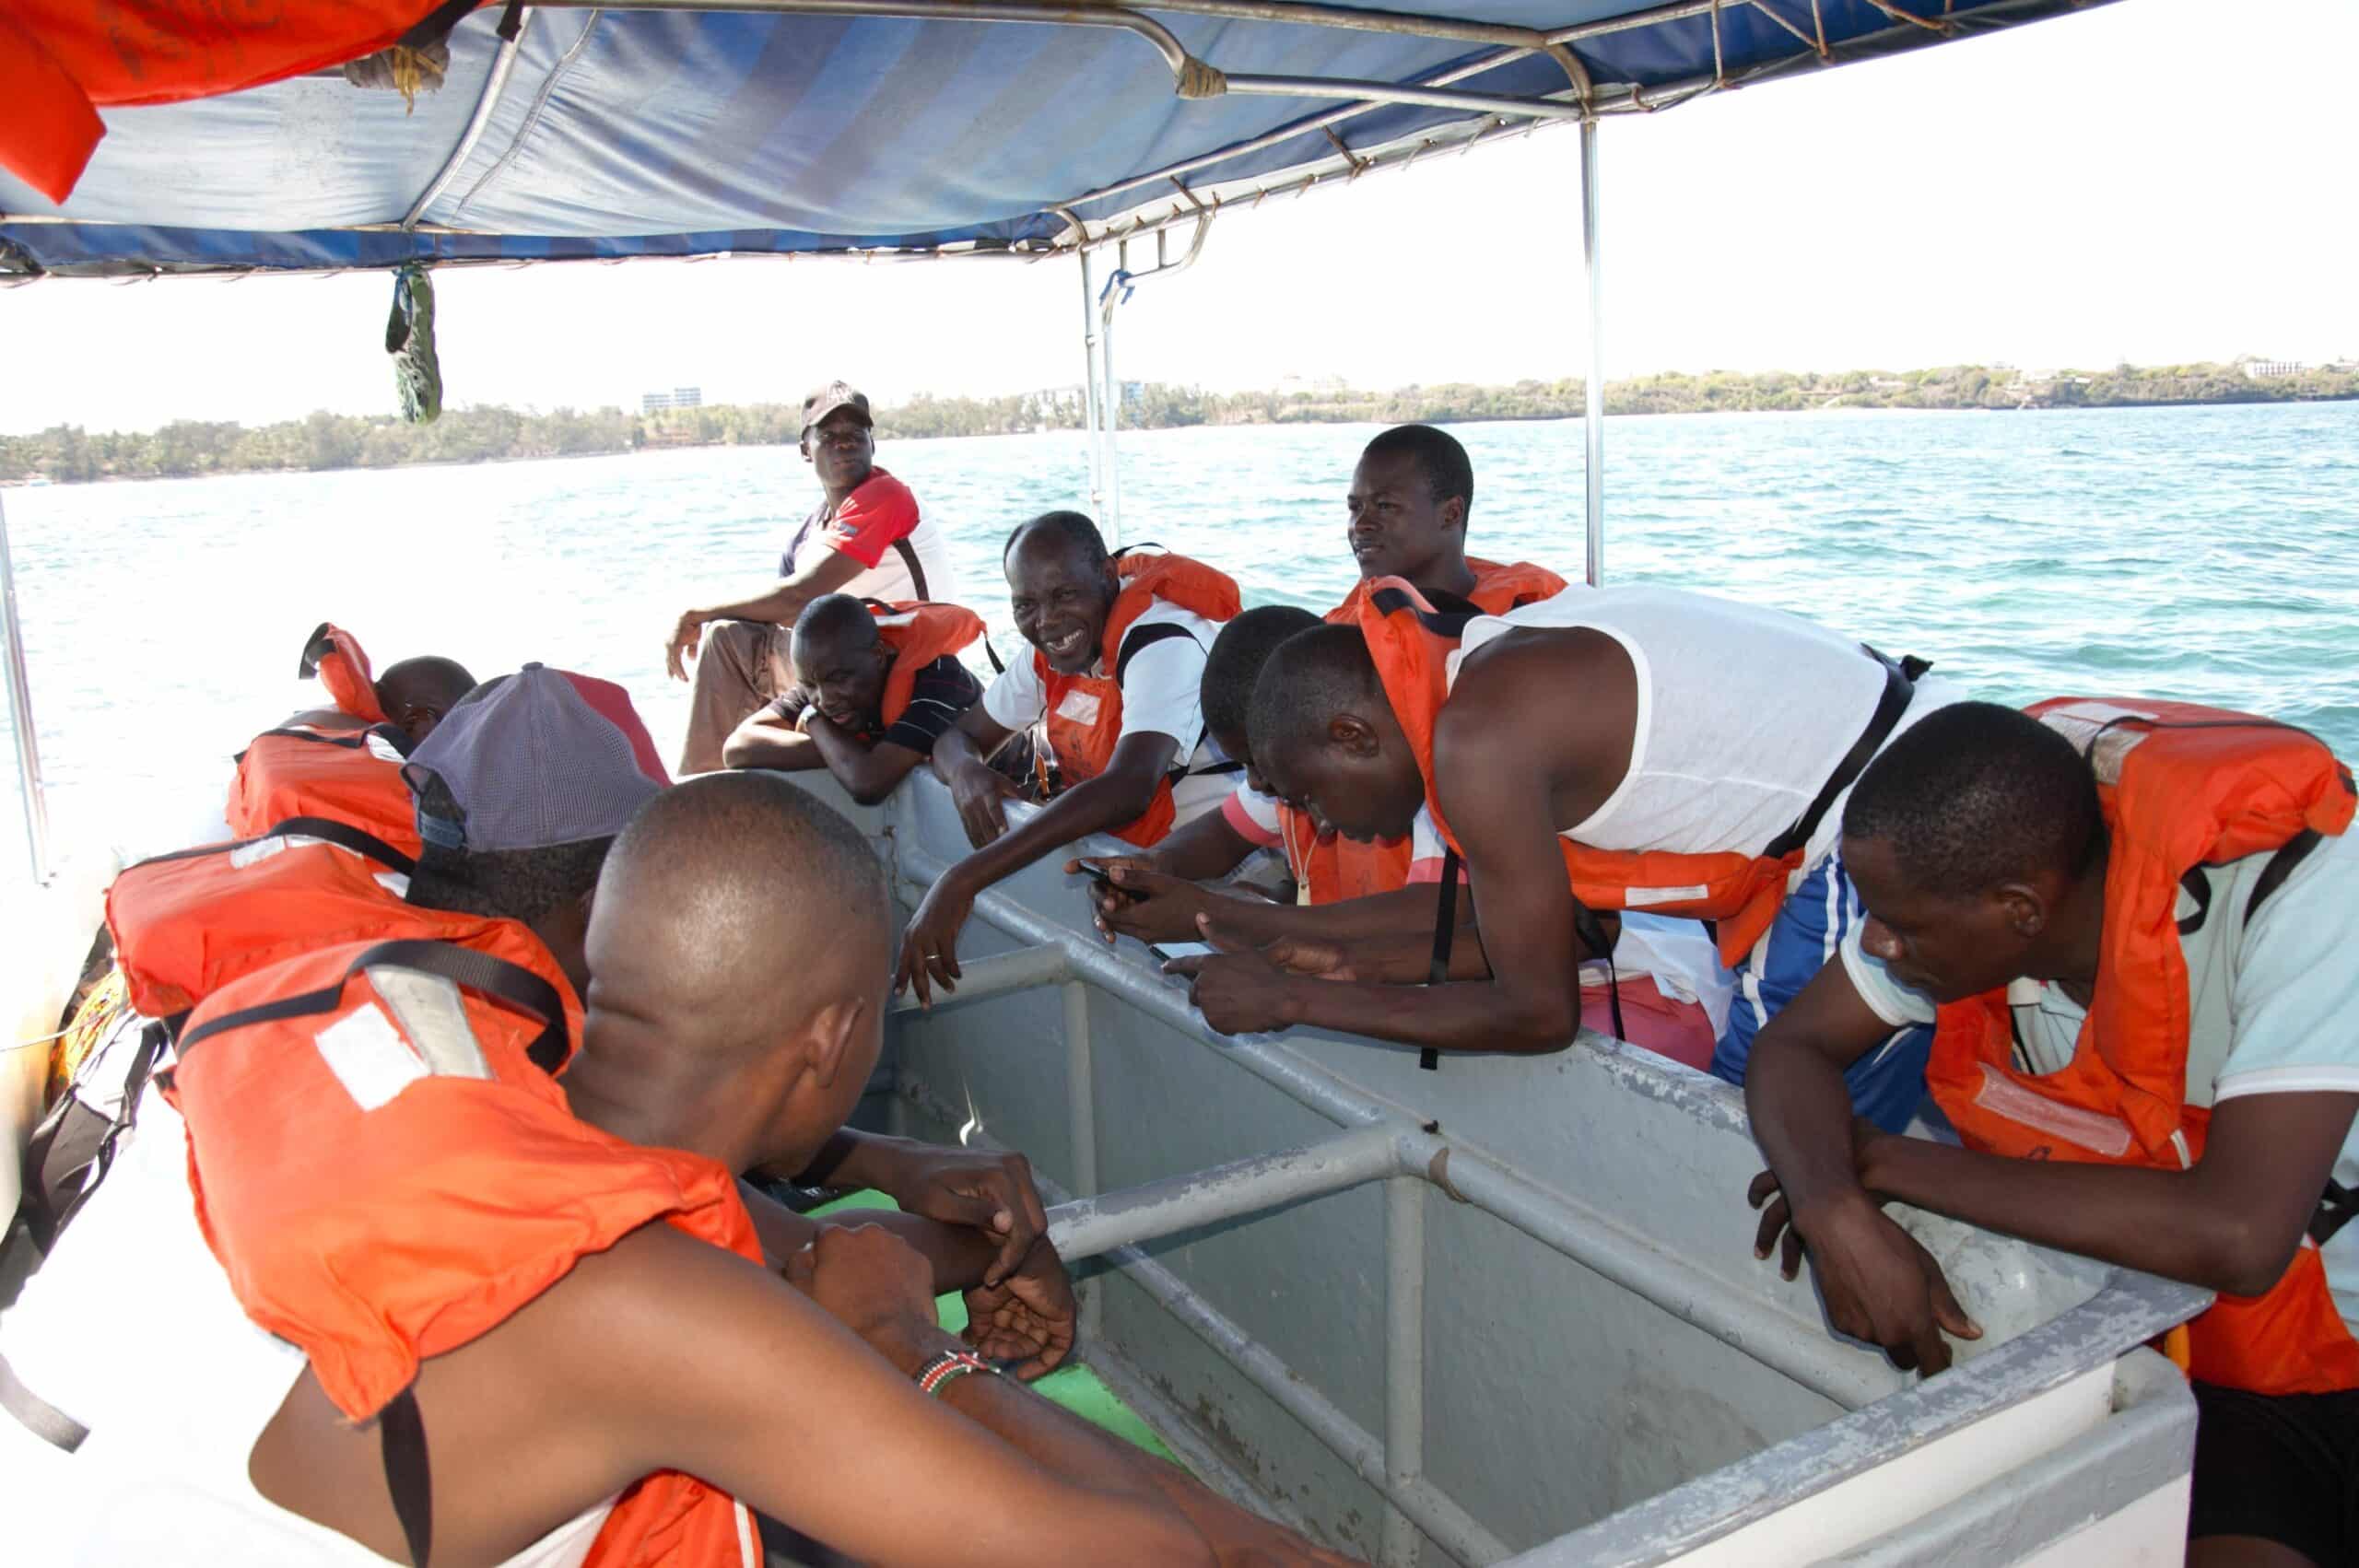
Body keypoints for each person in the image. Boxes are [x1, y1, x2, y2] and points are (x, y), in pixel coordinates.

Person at [1, 766, 1356, 1567]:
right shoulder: (644, 1314)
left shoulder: (465, 1061)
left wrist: (973, 1251)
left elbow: (795, 1245)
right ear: (834, 1035)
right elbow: (1141, 1561)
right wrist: (910, 1340)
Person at [1742, 699, 2359, 1568]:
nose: (1874, 944)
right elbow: (1794, 1047)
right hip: (2234, 1375)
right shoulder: (1976, 898)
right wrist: (1831, 1201)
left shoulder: (2309, 893)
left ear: (2020, 912)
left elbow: (2242, 1233)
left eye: (1899, 924)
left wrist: (1878, 1157)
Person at [1181, 580, 1959, 1127]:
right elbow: (1508, 936)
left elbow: (1538, 1012)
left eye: (1311, 795)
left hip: (1892, 825)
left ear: (1350, 736)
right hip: (1891, 775)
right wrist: (1317, 962)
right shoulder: (1483, 666)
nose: (1324, 824)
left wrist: (1290, 1003)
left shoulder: (1480, 741)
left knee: (1749, 1139)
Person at [1076, 425, 1567, 920]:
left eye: (1385, 507)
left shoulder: (1498, 658)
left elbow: (1445, 916)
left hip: (1434, 948)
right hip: (1356, 944)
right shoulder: (1337, 644)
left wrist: (1234, 918)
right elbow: (1244, 816)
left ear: (1451, 513)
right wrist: (1146, 868)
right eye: (1355, 508)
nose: (1362, 524)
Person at [898, 512, 1239, 1004]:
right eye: (1026, 604)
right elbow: (956, 739)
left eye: (1064, 595)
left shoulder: (1161, 640)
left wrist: (962, 880)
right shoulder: (1052, 649)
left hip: (1218, 860)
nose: (1046, 621)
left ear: (1106, 577)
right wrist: (968, 771)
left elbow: (1129, 787)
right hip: (1122, 861)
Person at [667, 381, 960, 775]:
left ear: (872, 444)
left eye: (856, 435)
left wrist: (698, 614)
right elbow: (793, 620)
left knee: (725, 639)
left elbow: (797, 597)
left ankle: (695, 800)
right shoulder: (809, 535)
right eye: (829, 435)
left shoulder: (885, 495)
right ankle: (721, 789)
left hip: (896, 670)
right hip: (840, 671)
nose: (844, 444)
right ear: (806, 450)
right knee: (734, 643)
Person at [722, 592, 987, 806]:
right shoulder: (824, 678)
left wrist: (812, 720)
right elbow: (738, 747)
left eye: (839, 679)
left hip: (1015, 799)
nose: (825, 700)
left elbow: (868, 783)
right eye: (809, 685)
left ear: (879, 655)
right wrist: (844, 748)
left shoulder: (938, 679)